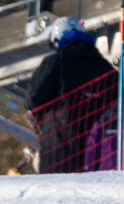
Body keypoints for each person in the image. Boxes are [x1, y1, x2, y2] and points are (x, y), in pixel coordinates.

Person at [24, 16, 116, 174]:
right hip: (98, 143)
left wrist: (41, 119)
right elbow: (117, 99)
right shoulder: (106, 69)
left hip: (58, 141)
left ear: (57, 39)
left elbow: (34, 98)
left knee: (56, 184)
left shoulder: (55, 61)